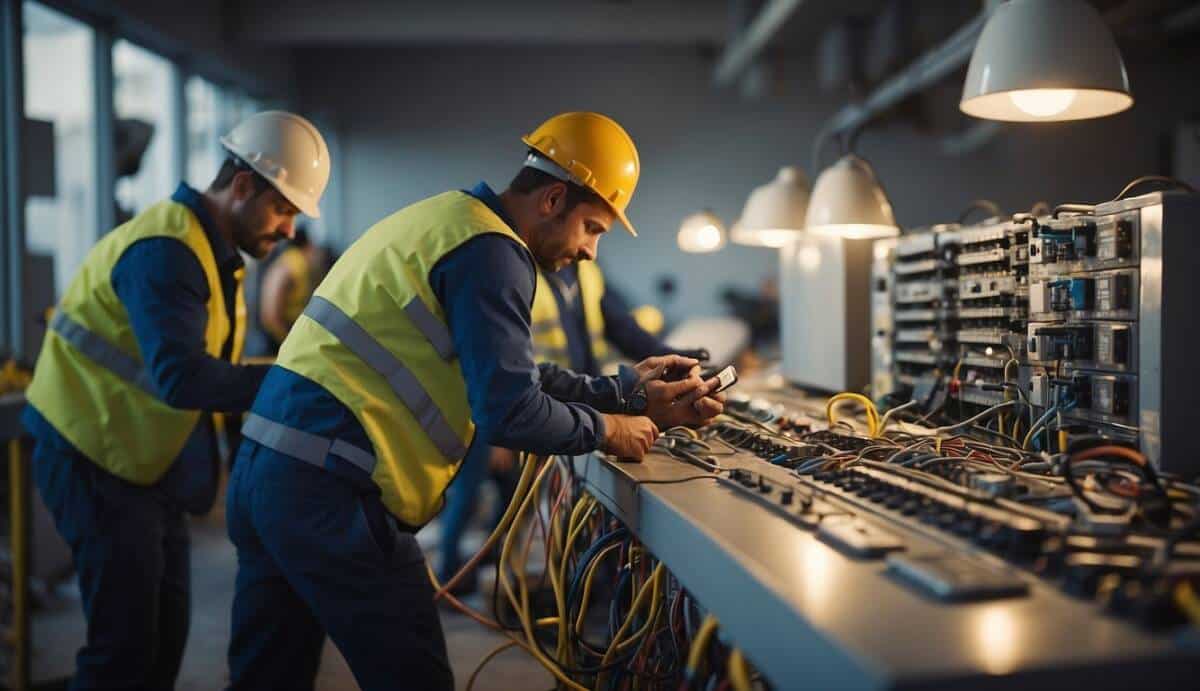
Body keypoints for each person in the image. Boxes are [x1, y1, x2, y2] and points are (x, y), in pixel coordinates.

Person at [225, 111, 724, 690]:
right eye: (593, 227)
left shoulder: (450, 220)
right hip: (331, 490)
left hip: (265, 469)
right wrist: (610, 429)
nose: (591, 252)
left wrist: (625, 392)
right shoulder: (493, 254)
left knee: (266, 677)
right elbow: (508, 410)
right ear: (554, 199)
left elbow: (509, 374)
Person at [21, 110, 331, 689]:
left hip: (138, 462)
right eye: (284, 209)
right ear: (242, 186)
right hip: (91, 454)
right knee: (124, 655)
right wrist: (297, 383)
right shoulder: (167, 251)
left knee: (161, 642)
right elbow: (183, 378)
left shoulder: (207, 249)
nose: (290, 230)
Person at [436, 259, 707, 591]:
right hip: (507, 410)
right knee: (469, 494)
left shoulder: (587, 272)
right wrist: (500, 436)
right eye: (590, 226)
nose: (590, 247)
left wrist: (688, 359)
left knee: (518, 499)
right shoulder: (510, 272)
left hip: (564, 404)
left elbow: (626, 330)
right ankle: (450, 572)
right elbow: (495, 371)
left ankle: (493, 559)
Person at [258, 226, 322, 352]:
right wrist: (290, 344)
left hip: (286, 334)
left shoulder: (294, 264)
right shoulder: (290, 267)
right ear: (308, 246)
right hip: (277, 341)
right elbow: (271, 316)